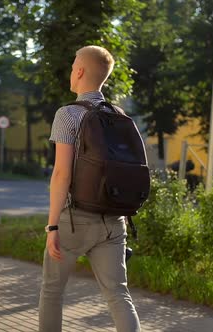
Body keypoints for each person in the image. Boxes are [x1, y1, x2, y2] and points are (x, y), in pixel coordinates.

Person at [39, 45, 142, 332]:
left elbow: (61, 174)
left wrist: (52, 227)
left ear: (81, 71)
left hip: (76, 219)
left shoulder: (68, 114)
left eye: (73, 66)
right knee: (119, 296)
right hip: (114, 220)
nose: (71, 71)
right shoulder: (120, 115)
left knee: (52, 292)